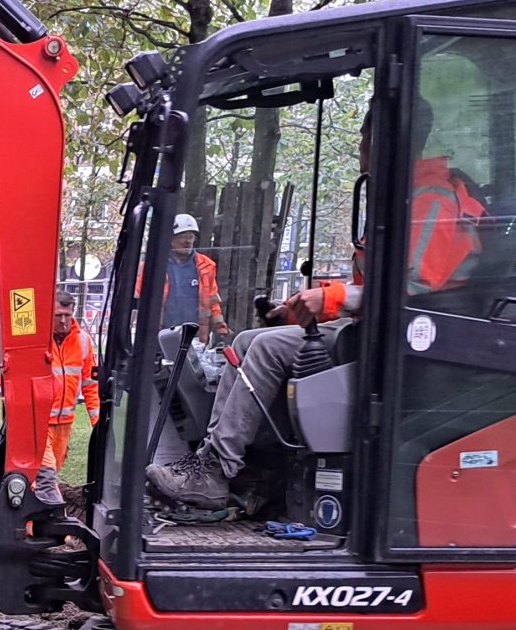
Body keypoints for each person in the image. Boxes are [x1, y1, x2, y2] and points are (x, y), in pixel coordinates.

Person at [149, 105, 484, 516]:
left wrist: (331, 299)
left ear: (381, 143)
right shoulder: (404, 196)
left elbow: (411, 291)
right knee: (249, 340)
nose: (361, 150)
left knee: (269, 350)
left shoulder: (430, 202)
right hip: (380, 328)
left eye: (364, 140)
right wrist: (294, 313)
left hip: (412, 341)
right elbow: (371, 288)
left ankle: (217, 470)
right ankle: (238, 467)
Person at [43, 289, 99, 480]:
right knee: (46, 474)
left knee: (53, 471)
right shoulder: (39, 341)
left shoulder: (83, 341)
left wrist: (97, 423)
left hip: (64, 424)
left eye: (67, 315)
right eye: (58, 316)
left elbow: (91, 385)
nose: (63, 321)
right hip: (41, 422)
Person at [161, 214, 225, 343]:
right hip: (162, 333)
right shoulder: (156, 265)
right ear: (171, 239)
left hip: (195, 335)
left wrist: (221, 330)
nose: (187, 241)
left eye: (190, 237)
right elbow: (140, 301)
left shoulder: (206, 266)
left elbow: (213, 301)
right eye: (183, 236)